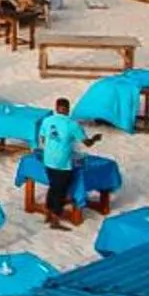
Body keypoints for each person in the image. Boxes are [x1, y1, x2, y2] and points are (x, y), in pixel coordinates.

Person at [36, 97, 101, 230]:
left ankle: (48, 213)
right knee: (60, 191)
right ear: (68, 109)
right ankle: (55, 220)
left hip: (48, 160)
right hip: (62, 163)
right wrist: (95, 138)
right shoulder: (72, 125)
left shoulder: (47, 121)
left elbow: (42, 138)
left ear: (56, 107)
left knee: (53, 186)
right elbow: (86, 143)